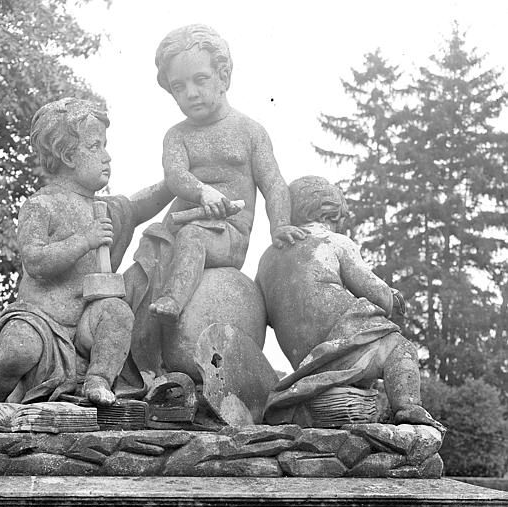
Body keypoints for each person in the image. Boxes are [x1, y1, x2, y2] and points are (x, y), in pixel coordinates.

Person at [0, 98, 172, 406]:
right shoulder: (42, 205)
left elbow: (139, 205)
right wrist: (84, 240)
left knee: (118, 312)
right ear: (68, 155)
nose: (107, 156)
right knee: (18, 349)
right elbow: (36, 261)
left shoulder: (108, 209)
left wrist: (175, 181)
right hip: (39, 319)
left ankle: (98, 380)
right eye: (95, 147)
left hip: (85, 323)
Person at [257, 176, 444, 431]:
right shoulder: (333, 242)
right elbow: (372, 288)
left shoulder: (267, 258)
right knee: (400, 349)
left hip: (303, 360)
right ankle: (408, 409)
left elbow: (263, 313)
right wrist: (391, 295)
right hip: (343, 340)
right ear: (333, 213)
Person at [147, 24, 306, 323]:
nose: (190, 93)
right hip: (179, 226)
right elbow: (175, 174)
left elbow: (273, 184)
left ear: (223, 76)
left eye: (200, 80)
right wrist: (202, 192)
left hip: (227, 235)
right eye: (179, 87)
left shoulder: (249, 131)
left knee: (193, 237)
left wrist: (280, 225)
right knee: (145, 259)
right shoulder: (176, 136)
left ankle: (174, 300)